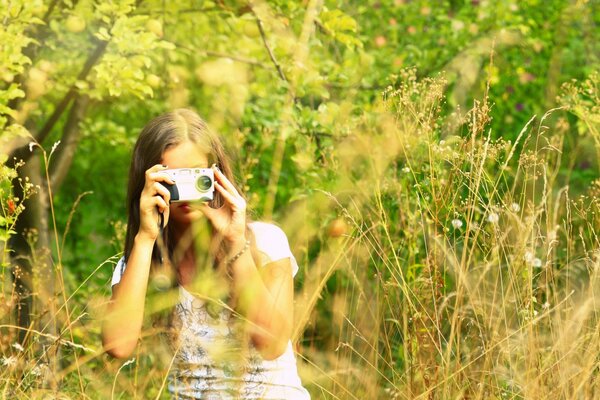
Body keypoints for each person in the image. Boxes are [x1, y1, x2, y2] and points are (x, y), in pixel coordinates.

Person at [101, 109, 310, 399]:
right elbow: (118, 347)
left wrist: (236, 242)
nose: (185, 191)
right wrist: (146, 237)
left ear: (217, 175)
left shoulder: (265, 241)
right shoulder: (141, 258)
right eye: (172, 178)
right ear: (148, 182)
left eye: (196, 176)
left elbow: (272, 344)